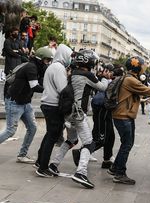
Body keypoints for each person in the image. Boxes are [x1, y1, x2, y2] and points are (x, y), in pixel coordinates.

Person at [48, 50, 108, 189]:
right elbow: (102, 87)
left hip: (69, 112)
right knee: (89, 143)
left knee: (72, 140)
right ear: (90, 62)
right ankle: (81, 172)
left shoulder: (73, 73)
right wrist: (104, 77)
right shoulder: (87, 74)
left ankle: (53, 164)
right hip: (78, 114)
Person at [107, 56, 150, 185]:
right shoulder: (131, 80)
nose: (144, 69)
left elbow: (129, 96)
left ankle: (115, 167)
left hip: (123, 115)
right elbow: (149, 90)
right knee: (127, 145)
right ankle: (119, 173)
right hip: (123, 116)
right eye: (142, 66)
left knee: (126, 143)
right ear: (137, 67)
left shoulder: (128, 78)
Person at [0, 47, 53, 163]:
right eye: (47, 60)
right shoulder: (31, 67)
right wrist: (50, 90)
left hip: (25, 102)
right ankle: (22, 154)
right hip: (15, 102)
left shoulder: (38, 67)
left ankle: (22, 155)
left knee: (32, 128)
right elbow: (34, 86)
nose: (48, 63)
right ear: (40, 59)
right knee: (10, 131)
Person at [34, 44, 73, 176]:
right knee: (52, 136)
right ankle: (43, 167)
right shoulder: (58, 68)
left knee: (49, 134)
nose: (70, 59)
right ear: (64, 55)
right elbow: (63, 89)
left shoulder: (54, 66)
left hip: (48, 103)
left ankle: (40, 161)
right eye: (70, 56)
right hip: (52, 105)